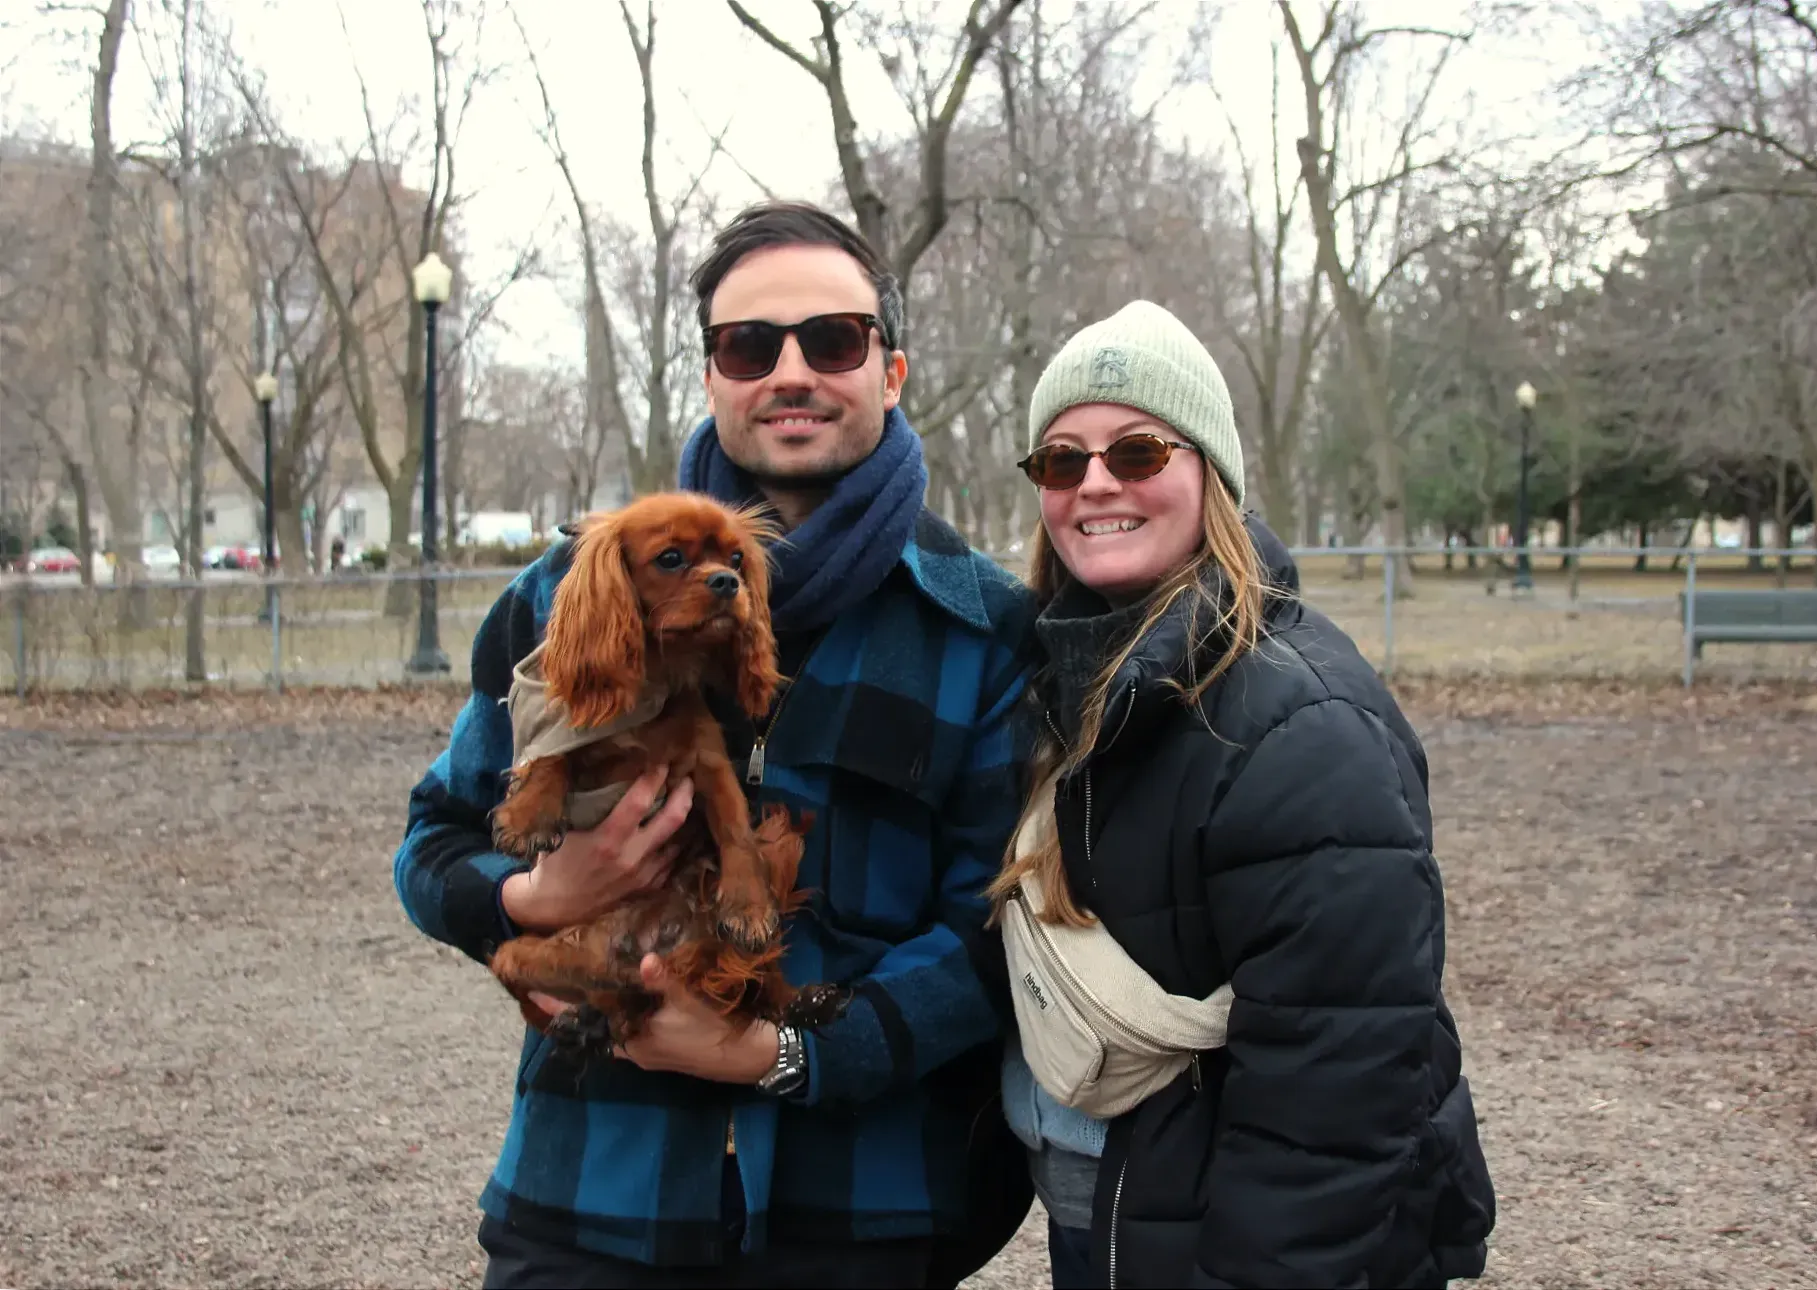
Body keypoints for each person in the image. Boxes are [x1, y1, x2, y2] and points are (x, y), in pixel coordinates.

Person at [394, 201, 1036, 1289]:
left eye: (833, 340)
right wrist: (530, 901)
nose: (792, 371)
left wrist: (781, 1054)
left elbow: (992, 936)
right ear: (710, 376)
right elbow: (431, 845)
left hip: (860, 1223)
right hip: (585, 1207)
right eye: (751, 344)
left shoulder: (983, 628)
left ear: (891, 371)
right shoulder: (559, 593)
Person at [993, 300, 1496, 1288]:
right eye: (1061, 460)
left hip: (1218, 1228)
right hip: (1125, 1202)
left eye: (1137, 452)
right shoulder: (1067, 676)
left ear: (1209, 473)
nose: (1095, 483)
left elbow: (1335, 1091)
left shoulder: (1300, 726)